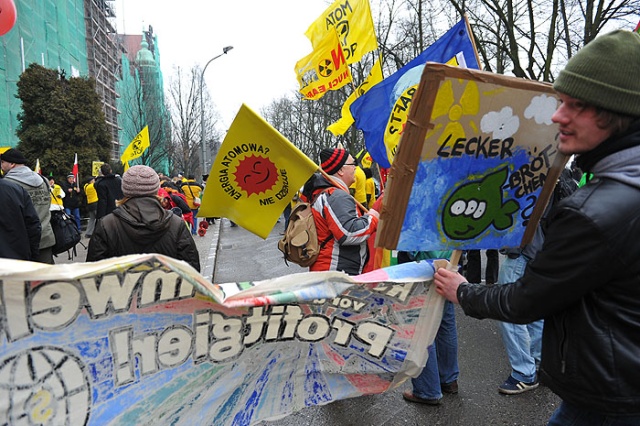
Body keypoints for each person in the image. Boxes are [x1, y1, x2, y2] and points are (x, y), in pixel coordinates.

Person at [433, 30, 640, 424]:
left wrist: (464, 291)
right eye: (561, 103)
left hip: (610, 399)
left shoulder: (594, 211)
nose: (558, 116)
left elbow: (526, 301)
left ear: (617, 112)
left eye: (576, 106)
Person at [86, 165, 200, 272]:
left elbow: (92, 274)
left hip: (122, 292)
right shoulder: (176, 223)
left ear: (125, 190)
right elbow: (193, 271)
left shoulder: (107, 225)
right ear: (156, 189)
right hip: (168, 292)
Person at [301, 148, 379, 275]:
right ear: (341, 170)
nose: (355, 168)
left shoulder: (329, 193)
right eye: (352, 164)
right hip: (334, 272)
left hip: (331, 270)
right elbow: (349, 233)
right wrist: (372, 218)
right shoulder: (337, 196)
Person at [399, 251, 459, 406]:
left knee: (421, 327)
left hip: (425, 264)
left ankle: (428, 389)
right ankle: (448, 379)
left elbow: (415, 240)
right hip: (449, 259)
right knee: (445, 323)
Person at [1, 148, 55, 264]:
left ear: (11, 164)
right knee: (47, 278)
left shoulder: (8, 185)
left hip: (20, 242)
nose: (1, 165)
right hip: (45, 237)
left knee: (24, 280)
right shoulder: (43, 180)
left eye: (2, 162)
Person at [0, 177, 41, 261]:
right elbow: (33, 226)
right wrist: (33, 255)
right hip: (16, 258)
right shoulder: (16, 190)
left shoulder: (16, 190)